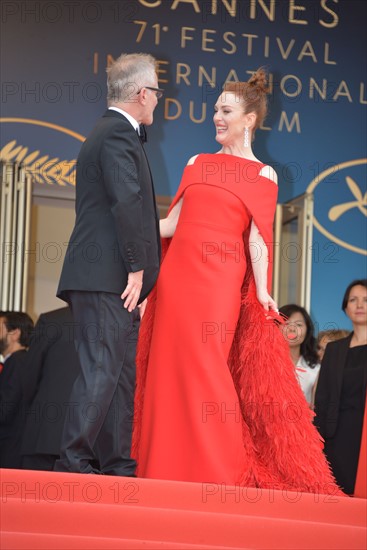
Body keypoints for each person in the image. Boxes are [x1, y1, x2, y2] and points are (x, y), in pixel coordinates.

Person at [132, 70, 342, 494]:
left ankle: (219, 469)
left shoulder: (264, 175)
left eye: (225, 111)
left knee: (208, 368)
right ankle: (162, 470)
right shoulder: (197, 162)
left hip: (219, 285)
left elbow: (258, 240)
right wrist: (121, 227)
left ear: (249, 119)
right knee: (167, 371)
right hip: (177, 282)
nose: (216, 118)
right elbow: (171, 224)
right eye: (214, 111)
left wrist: (263, 290)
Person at [54, 53, 161, 476]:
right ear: (140, 93)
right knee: (103, 369)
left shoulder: (113, 132)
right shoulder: (117, 134)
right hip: (109, 277)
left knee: (118, 377)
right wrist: (137, 268)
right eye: (155, 91)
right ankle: (73, 461)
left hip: (109, 278)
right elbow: (126, 201)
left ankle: (118, 463)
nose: (158, 99)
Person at [314, 279, 367, 495]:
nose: (359, 305)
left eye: (365, 300)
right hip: (336, 435)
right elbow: (323, 397)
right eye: (353, 300)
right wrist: (317, 438)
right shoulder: (334, 350)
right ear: (345, 307)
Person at [21, 307, 81, 471]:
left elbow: (30, 375)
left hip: (44, 434)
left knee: (34, 493)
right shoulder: (115, 322)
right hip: (91, 442)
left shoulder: (52, 319)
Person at [0, 311, 34, 468]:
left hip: (10, 449)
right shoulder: (23, 362)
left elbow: (5, 408)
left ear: (14, 334)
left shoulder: (16, 363)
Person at [279, 304, 320, 407]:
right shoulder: (264, 364)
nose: (292, 329)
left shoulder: (316, 368)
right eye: (286, 323)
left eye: (299, 325)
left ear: (307, 330)